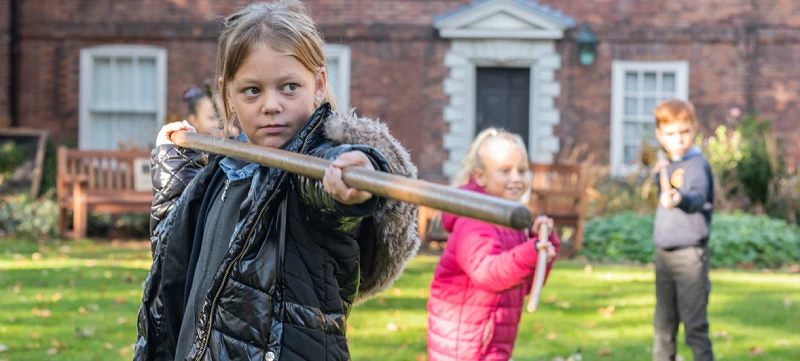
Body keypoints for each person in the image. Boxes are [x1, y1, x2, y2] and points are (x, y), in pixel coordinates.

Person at [133, 1, 419, 360]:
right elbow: (172, 249)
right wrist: (173, 162)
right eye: (252, 90)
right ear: (229, 94)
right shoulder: (225, 169)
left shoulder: (309, 168)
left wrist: (355, 174)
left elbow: (325, 190)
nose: (271, 105)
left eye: (288, 87)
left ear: (318, 85)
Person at [427, 128, 560, 361]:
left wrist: (542, 246)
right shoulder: (475, 219)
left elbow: (523, 285)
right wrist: (529, 253)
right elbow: (488, 273)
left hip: (491, 337)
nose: (517, 179)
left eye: (522, 170)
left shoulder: (509, 219)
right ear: (480, 177)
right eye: (505, 171)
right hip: (463, 341)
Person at [650, 99, 715, 361]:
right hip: (664, 255)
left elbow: (697, 196)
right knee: (663, 326)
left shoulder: (697, 164)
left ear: (694, 129)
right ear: (660, 135)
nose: (679, 139)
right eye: (671, 134)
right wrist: (658, 177)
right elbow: (667, 185)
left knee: (694, 327)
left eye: (684, 132)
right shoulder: (669, 164)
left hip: (690, 257)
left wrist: (680, 200)